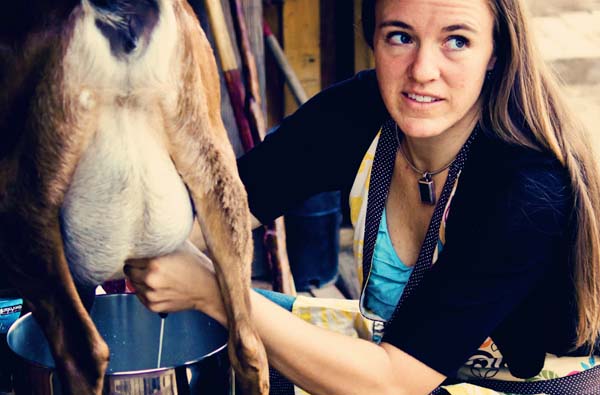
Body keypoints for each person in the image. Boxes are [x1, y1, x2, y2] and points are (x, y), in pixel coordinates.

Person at [125, 0, 600, 393]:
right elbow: (224, 207)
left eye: (457, 40)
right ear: (373, 37)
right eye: (400, 36)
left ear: (495, 51)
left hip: (524, 382)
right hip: (400, 356)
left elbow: (393, 383)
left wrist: (214, 290)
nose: (422, 71)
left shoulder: (527, 189)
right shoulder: (361, 112)